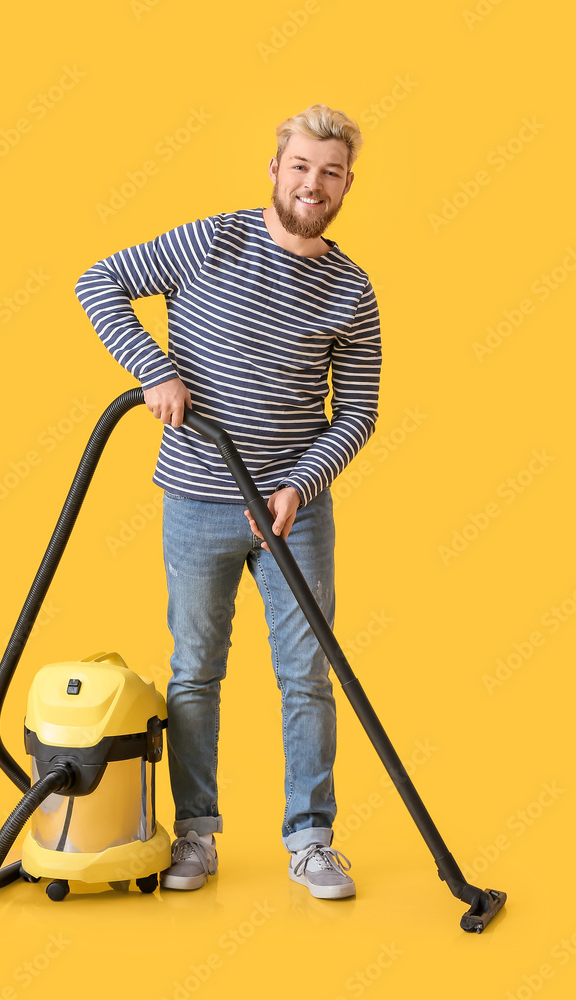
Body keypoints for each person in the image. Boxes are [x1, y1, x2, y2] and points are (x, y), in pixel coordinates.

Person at [75, 104, 382, 900]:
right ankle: (197, 835)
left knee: (307, 675)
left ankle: (311, 841)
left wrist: (298, 485)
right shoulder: (211, 240)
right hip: (197, 499)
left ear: (347, 185)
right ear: (275, 171)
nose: (313, 183)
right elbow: (98, 280)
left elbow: (357, 409)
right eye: (301, 167)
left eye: (331, 172)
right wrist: (152, 368)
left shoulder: (352, 289)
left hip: (294, 510)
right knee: (194, 672)